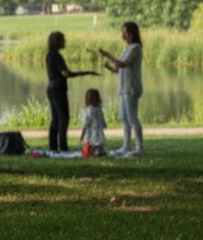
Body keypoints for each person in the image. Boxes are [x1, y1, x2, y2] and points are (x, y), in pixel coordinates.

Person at [45, 31, 99, 153]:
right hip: (58, 88)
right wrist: (86, 72)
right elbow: (66, 73)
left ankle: (53, 147)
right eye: (63, 40)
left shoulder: (49, 55)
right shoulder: (56, 56)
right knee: (64, 118)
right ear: (57, 42)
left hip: (51, 88)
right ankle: (63, 147)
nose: (65, 42)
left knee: (55, 118)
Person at [100, 21, 144, 156]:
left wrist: (109, 55)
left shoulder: (136, 48)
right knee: (124, 119)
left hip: (131, 88)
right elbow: (119, 68)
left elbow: (124, 64)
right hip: (123, 88)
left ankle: (139, 148)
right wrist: (109, 66)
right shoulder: (127, 48)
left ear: (131, 34)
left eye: (124, 32)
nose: (122, 35)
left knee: (132, 118)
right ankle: (125, 146)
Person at [79, 88, 107, 157]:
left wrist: (82, 135)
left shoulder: (88, 111)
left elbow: (86, 123)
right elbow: (103, 123)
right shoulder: (99, 110)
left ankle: (91, 152)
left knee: (89, 146)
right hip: (99, 133)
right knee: (98, 144)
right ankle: (100, 151)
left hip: (90, 133)